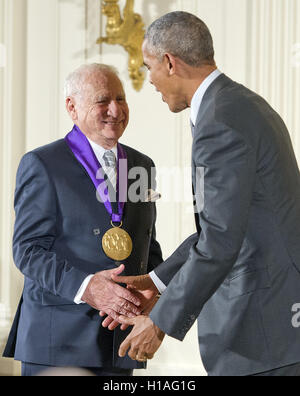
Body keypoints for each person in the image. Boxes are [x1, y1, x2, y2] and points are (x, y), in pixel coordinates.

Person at [107, 11, 300, 376]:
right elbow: (222, 226)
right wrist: (158, 281)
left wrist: (160, 321)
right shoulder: (240, 104)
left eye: (149, 68)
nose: (150, 81)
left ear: (169, 62)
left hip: (262, 330)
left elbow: (221, 240)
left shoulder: (220, 121)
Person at [2, 63, 163, 376]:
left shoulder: (143, 164)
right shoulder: (42, 163)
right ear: (71, 107)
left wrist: (155, 300)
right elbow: (27, 251)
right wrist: (87, 286)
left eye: (121, 98)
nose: (115, 110)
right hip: (58, 343)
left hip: (121, 342)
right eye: (102, 100)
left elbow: (148, 246)